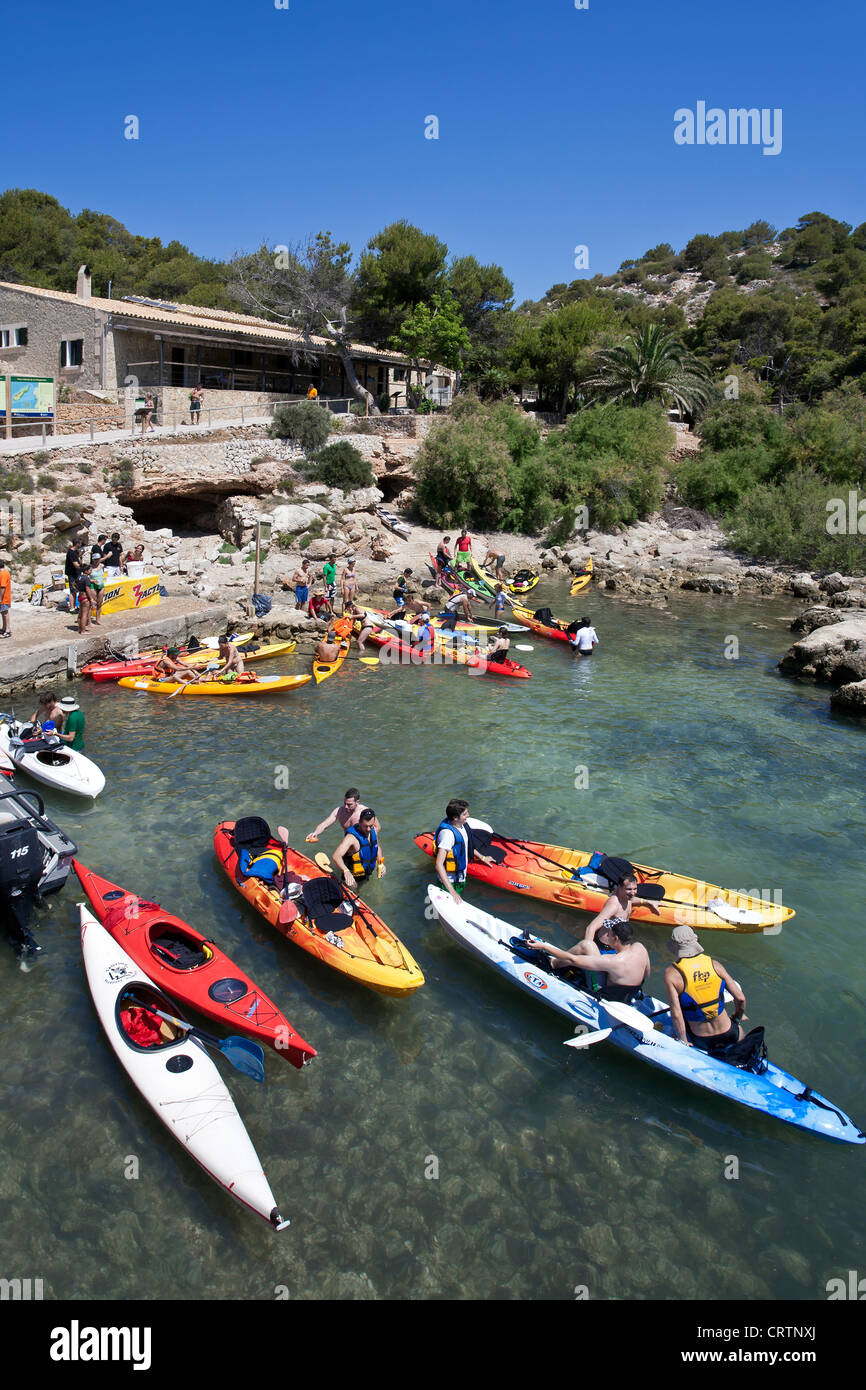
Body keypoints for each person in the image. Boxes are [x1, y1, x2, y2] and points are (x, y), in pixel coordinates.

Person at [664, 925, 748, 1054]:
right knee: (739, 1032)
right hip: (731, 1033)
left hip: (702, 1039)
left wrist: (683, 1041)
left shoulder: (672, 974)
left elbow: (676, 1014)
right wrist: (737, 1017)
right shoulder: (715, 965)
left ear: (675, 946)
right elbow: (740, 998)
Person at [527, 919, 651, 1004]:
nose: (606, 936)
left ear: (616, 938)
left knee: (583, 948)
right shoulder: (640, 948)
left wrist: (544, 947)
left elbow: (573, 959)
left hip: (608, 997)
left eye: (609, 934)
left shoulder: (613, 961)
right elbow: (646, 975)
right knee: (588, 944)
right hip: (629, 993)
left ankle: (552, 964)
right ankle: (555, 962)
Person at [434, 799, 497, 903]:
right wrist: (452, 891)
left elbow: (467, 846)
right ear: (455, 817)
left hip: (460, 877)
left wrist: (483, 858)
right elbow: (439, 865)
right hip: (450, 881)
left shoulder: (462, 826)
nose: (468, 815)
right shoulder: (447, 835)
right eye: (465, 814)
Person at [332, 807, 385, 889]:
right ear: (359, 822)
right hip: (352, 875)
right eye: (365, 826)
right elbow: (336, 856)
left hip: (365, 871)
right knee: (355, 891)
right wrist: (346, 871)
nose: (368, 829)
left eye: (370, 826)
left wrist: (380, 863)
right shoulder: (351, 838)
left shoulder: (373, 830)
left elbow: (377, 846)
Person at [306, 788, 378, 843]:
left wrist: (369, 840)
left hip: (364, 845)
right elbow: (324, 824)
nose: (346, 807)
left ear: (357, 802)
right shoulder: (340, 811)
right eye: (345, 803)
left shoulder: (365, 812)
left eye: (349, 804)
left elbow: (377, 827)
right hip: (348, 846)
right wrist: (315, 833)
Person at [74, 565, 97, 634]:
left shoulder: (79, 577)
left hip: (80, 597)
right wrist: (91, 599)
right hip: (85, 597)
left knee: (80, 614)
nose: (91, 571)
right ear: (86, 571)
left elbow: (74, 584)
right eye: (90, 570)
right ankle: (83, 630)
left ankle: (80, 628)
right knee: (84, 614)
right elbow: (87, 589)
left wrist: (79, 589)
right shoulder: (86, 578)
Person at [64, 541, 81, 612]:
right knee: (72, 590)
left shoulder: (75, 552)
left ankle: (75, 606)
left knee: (75, 590)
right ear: (77, 543)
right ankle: (72, 608)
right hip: (72, 574)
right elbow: (76, 564)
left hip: (76, 573)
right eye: (80, 543)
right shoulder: (71, 552)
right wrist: (84, 568)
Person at [0, 553, 11, 638]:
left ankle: (7, 630)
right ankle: (4, 628)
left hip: (4, 598)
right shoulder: (5, 572)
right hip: (4, 598)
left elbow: (3, 587)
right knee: (3, 613)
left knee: (5, 613)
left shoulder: (3, 574)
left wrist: (0, 598)